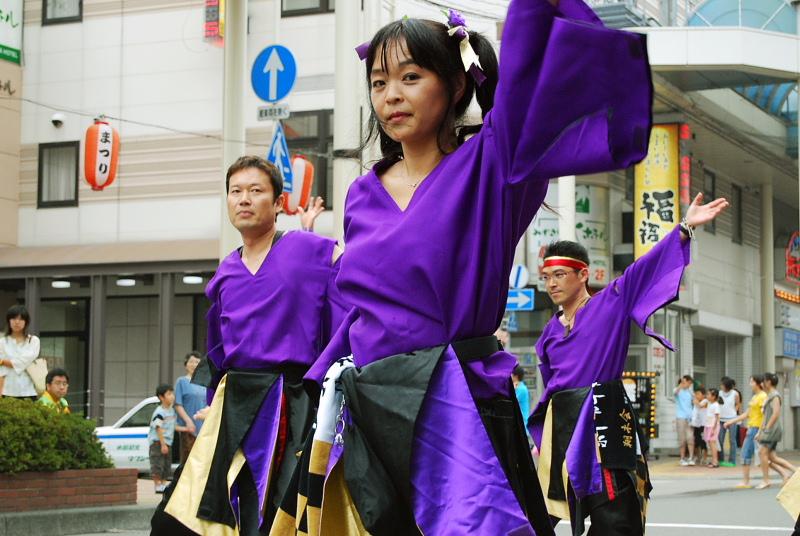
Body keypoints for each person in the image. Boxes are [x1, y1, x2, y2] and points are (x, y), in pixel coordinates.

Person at [274, 1, 657, 534]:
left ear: (455, 86)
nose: (392, 95)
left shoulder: (492, 162)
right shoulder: (362, 193)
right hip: (374, 409)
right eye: (380, 82)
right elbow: (362, 310)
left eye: (411, 76)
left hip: (460, 405)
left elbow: (526, 78)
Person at [152, 156, 347, 535]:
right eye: (235, 191)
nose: (243, 199)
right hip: (236, 407)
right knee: (186, 515)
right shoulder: (225, 272)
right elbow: (218, 350)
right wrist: (213, 403)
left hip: (295, 404)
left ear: (278, 202)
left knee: (285, 512)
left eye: (256, 191)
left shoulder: (312, 251)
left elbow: (346, 312)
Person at [530, 190, 726, 534]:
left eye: (559, 275)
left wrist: (684, 228)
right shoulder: (549, 331)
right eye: (547, 277)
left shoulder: (611, 302)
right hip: (560, 424)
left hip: (601, 417)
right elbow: (549, 384)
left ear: (583, 274)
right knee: (539, 514)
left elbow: (645, 267)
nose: (551, 284)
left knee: (617, 515)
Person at [723, 374, 767, 488]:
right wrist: (731, 421)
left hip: (756, 429)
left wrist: (760, 431)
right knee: (751, 455)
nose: (750, 384)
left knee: (762, 456)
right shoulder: (754, 397)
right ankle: (747, 481)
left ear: (758, 383)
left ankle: (754, 481)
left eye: (752, 382)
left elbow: (765, 415)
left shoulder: (762, 396)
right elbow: (747, 414)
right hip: (752, 428)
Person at [756, 372, 797, 488]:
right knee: (772, 457)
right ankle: (795, 471)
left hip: (772, 430)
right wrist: (760, 431)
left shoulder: (775, 396)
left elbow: (775, 414)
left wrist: (766, 428)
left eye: (763, 381)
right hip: (769, 429)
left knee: (762, 453)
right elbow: (766, 416)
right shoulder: (769, 395)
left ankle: (766, 480)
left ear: (768, 382)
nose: (762, 383)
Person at [149, 384, 187, 494]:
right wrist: (163, 444)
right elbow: (158, 428)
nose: (172, 396)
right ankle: (157, 485)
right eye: (169, 394)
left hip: (168, 442)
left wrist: (186, 429)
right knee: (157, 463)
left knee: (166, 465)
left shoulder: (171, 411)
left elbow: (173, 426)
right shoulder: (159, 411)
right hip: (158, 442)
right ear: (161, 397)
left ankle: (163, 484)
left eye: (172, 393)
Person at [0, 304, 41, 400]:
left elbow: (24, 361)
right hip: (7, 390)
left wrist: (3, 362)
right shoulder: (2, 342)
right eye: (13, 319)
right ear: (8, 321)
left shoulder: (33, 341)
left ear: (26, 322)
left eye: (21, 319)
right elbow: (1, 371)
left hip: (28, 390)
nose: (17, 322)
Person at [173, 351, 207, 463]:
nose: (194, 364)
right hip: (188, 429)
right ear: (186, 364)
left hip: (204, 428)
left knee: (202, 460)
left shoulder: (204, 383)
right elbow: (178, 405)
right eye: (191, 362)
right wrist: (188, 421)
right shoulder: (181, 382)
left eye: (197, 362)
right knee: (188, 460)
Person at [718, 376, 740, 467]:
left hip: (732, 419)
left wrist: (735, 411)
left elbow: (738, 403)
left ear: (726, 385)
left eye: (722, 384)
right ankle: (721, 459)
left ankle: (732, 460)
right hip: (721, 419)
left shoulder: (735, 393)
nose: (721, 386)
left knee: (732, 440)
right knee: (720, 439)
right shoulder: (719, 393)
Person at [673, 375, 695, 466]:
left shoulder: (690, 392)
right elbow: (675, 392)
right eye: (687, 382)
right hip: (681, 417)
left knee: (690, 438)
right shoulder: (678, 390)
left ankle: (690, 458)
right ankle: (682, 458)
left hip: (690, 418)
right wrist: (681, 384)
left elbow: (694, 402)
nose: (689, 385)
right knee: (682, 439)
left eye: (690, 383)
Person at [704, 388, 722, 468]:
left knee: (712, 443)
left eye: (708, 394)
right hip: (708, 425)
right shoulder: (709, 403)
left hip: (713, 426)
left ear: (714, 396)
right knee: (711, 444)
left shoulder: (716, 405)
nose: (707, 396)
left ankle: (715, 461)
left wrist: (714, 429)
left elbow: (717, 417)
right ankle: (713, 460)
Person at [691, 386, 707, 466]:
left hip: (704, 425)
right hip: (696, 425)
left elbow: (700, 406)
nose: (697, 395)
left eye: (698, 394)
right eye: (696, 394)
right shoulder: (696, 402)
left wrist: (695, 400)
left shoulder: (705, 401)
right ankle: (698, 457)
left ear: (703, 395)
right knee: (696, 441)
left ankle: (704, 458)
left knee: (703, 442)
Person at [513, 364, 531, 431]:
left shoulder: (521, 389)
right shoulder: (520, 387)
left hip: (522, 426)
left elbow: (512, 401)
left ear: (516, 376)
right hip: (520, 425)